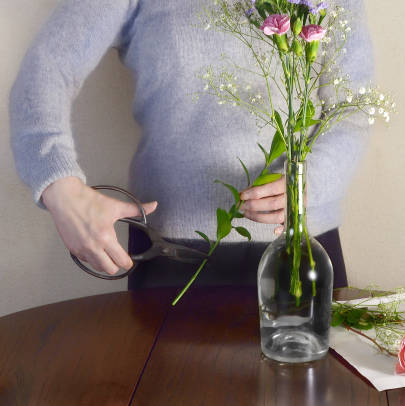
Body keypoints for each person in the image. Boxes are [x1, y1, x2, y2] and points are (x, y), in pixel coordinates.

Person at [9, 0, 374, 290]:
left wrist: (310, 185)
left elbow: (353, 110)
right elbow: (46, 70)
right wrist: (60, 188)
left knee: (311, 385)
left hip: (302, 249)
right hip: (171, 256)